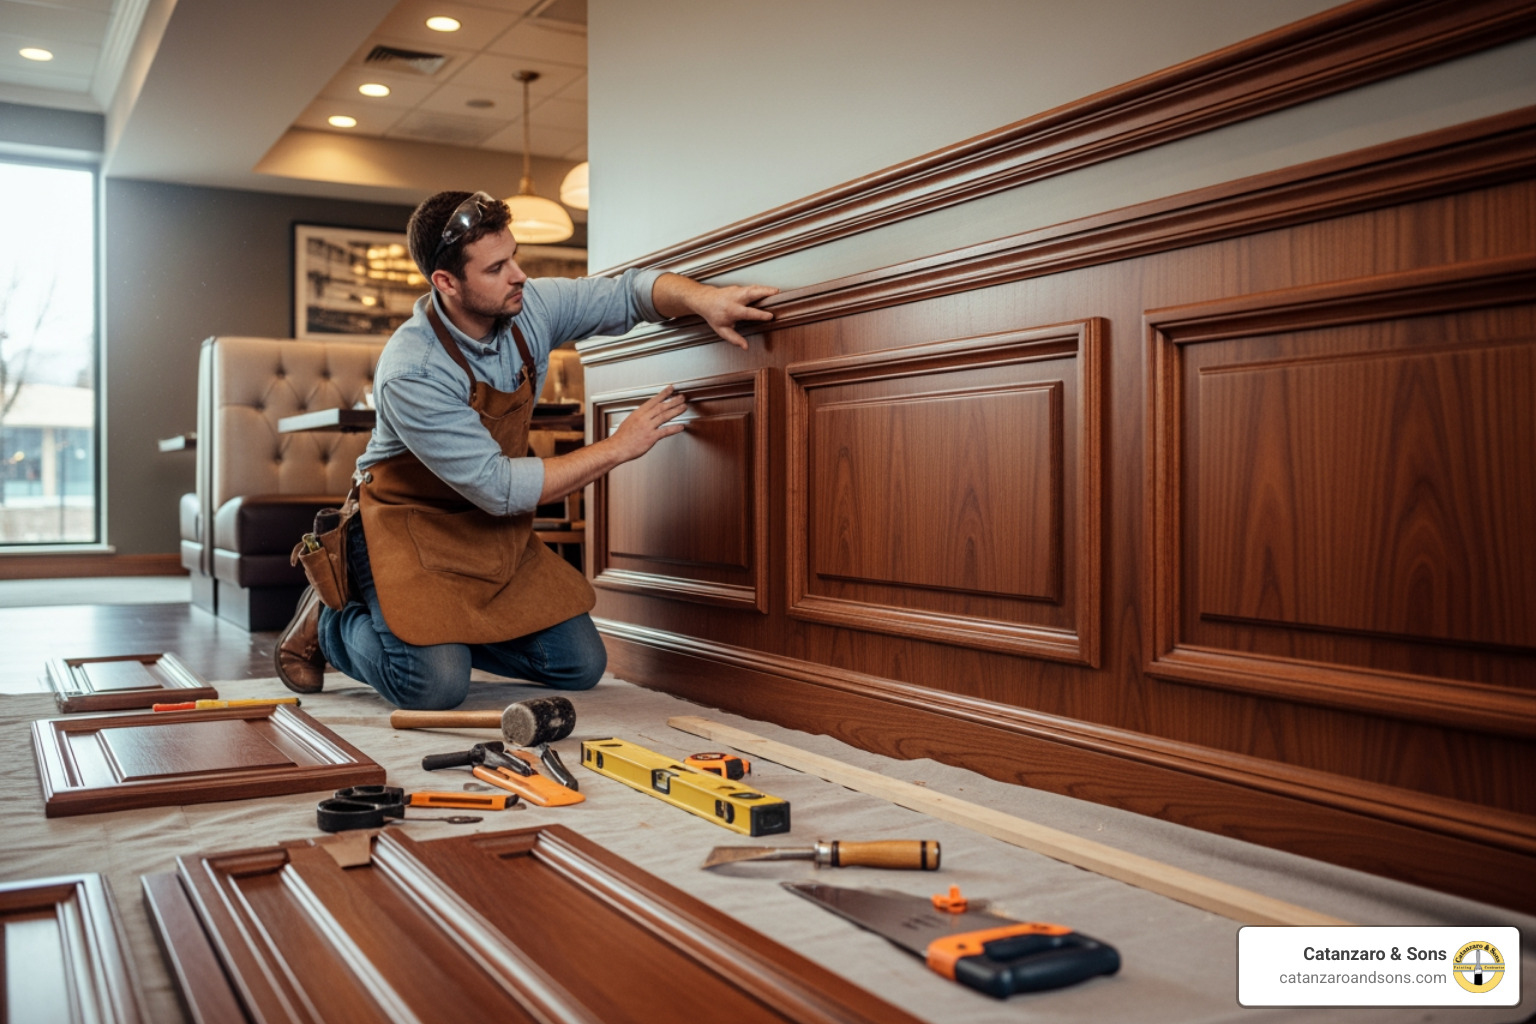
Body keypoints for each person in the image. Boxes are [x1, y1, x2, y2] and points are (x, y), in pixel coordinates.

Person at [274, 190, 777, 709]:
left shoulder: (529, 307)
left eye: (513, 256)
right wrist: (618, 447)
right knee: (434, 686)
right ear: (446, 283)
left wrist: (703, 300)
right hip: (404, 527)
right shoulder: (412, 370)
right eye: (496, 268)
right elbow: (499, 488)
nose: (518, 275)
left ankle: (438, 636)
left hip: (487, 530)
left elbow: (630, 294)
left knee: (578, 665)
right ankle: (333, 623)